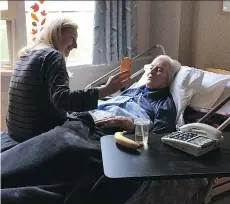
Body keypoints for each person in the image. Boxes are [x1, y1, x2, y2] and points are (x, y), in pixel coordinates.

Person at [6, 17, 130, 142]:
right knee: (97, 123)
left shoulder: (27, 55)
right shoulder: (53, 55)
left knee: (82, 116)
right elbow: (62, 100)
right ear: (58, 32)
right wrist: (105, 90)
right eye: (73, 37)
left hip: (15, 131)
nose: (75, 45)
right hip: (36, 133)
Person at [91, 55, 181, 134]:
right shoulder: (133, 90)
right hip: (93, 117)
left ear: (169, 79)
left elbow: (157, 138)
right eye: (151, 67)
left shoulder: (163, 104)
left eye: (159, 70)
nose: (151, 71)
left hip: (106, 133)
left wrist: (130, 125)